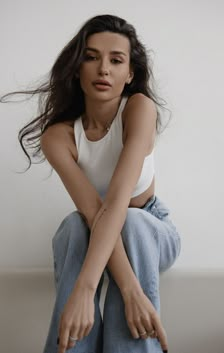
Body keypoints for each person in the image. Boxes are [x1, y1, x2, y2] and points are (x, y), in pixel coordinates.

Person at [1, 14, 181, 353]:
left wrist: (123, 290)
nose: (104, 69)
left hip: (151, 230)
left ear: (130, 74)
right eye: (91, 56)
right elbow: (93, 211)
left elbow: (116, 203)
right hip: (95, 224)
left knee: (130, 219)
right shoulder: (58, 137)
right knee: (73, 225)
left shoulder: (139, 109)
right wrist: (84, 290)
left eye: (116, 60)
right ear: (76, 66)